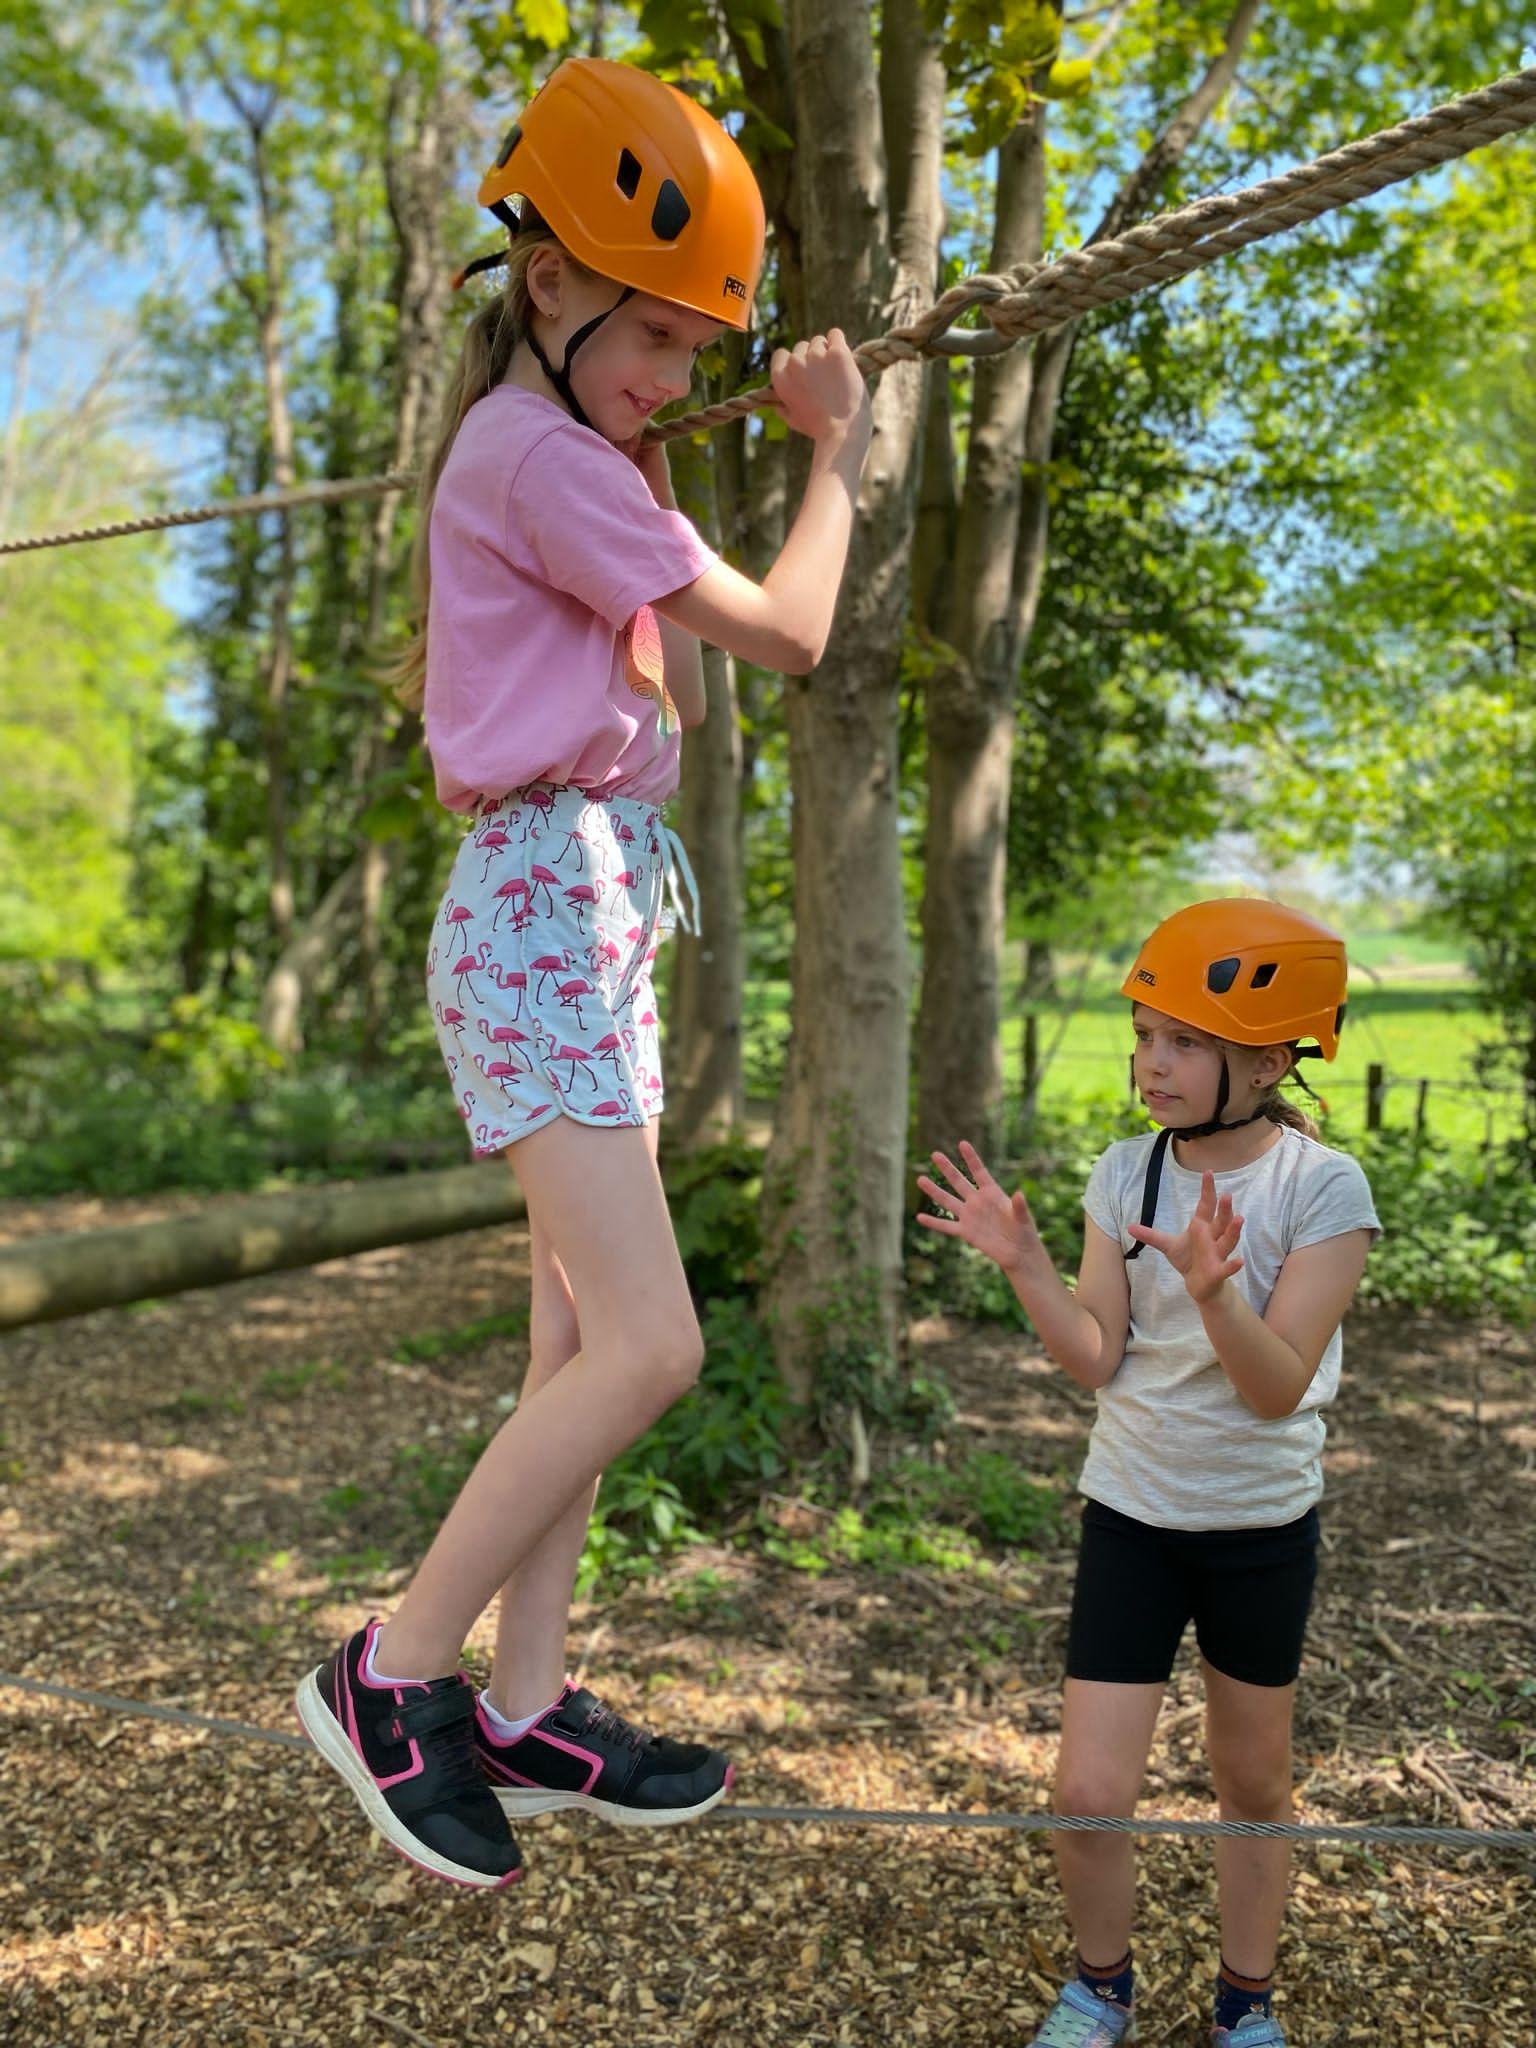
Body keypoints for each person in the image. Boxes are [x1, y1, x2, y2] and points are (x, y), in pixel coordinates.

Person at [295, 54, 873, 1890]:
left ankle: (531, 1700)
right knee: (650, 1343)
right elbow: (789, 637)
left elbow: (673, 687)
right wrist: (835, 455)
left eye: (700, 352)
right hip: (546, 905)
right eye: (659, 338)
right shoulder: (536, 453)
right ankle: (394, 1672)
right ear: (548, 284)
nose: (679, 378)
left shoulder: (564, 459)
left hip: (592, 906)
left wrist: (649, 450)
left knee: (575, 1337)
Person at [915, 899, 1380, 2046]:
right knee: (1085, 1791)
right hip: (1131, 1514)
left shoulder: (1324, 1190)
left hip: (1260, 1526)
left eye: (1183, 1041)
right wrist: (1026, 1264)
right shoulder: (1127, 1173)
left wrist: (1217, 1294)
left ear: (1269, 1060)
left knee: (1252, 1785)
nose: (1152, 1063)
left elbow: (1275, 1386)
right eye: (1144, 1036)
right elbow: (1097, 1356)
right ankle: (1100, 1987)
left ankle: (1245, 2004)